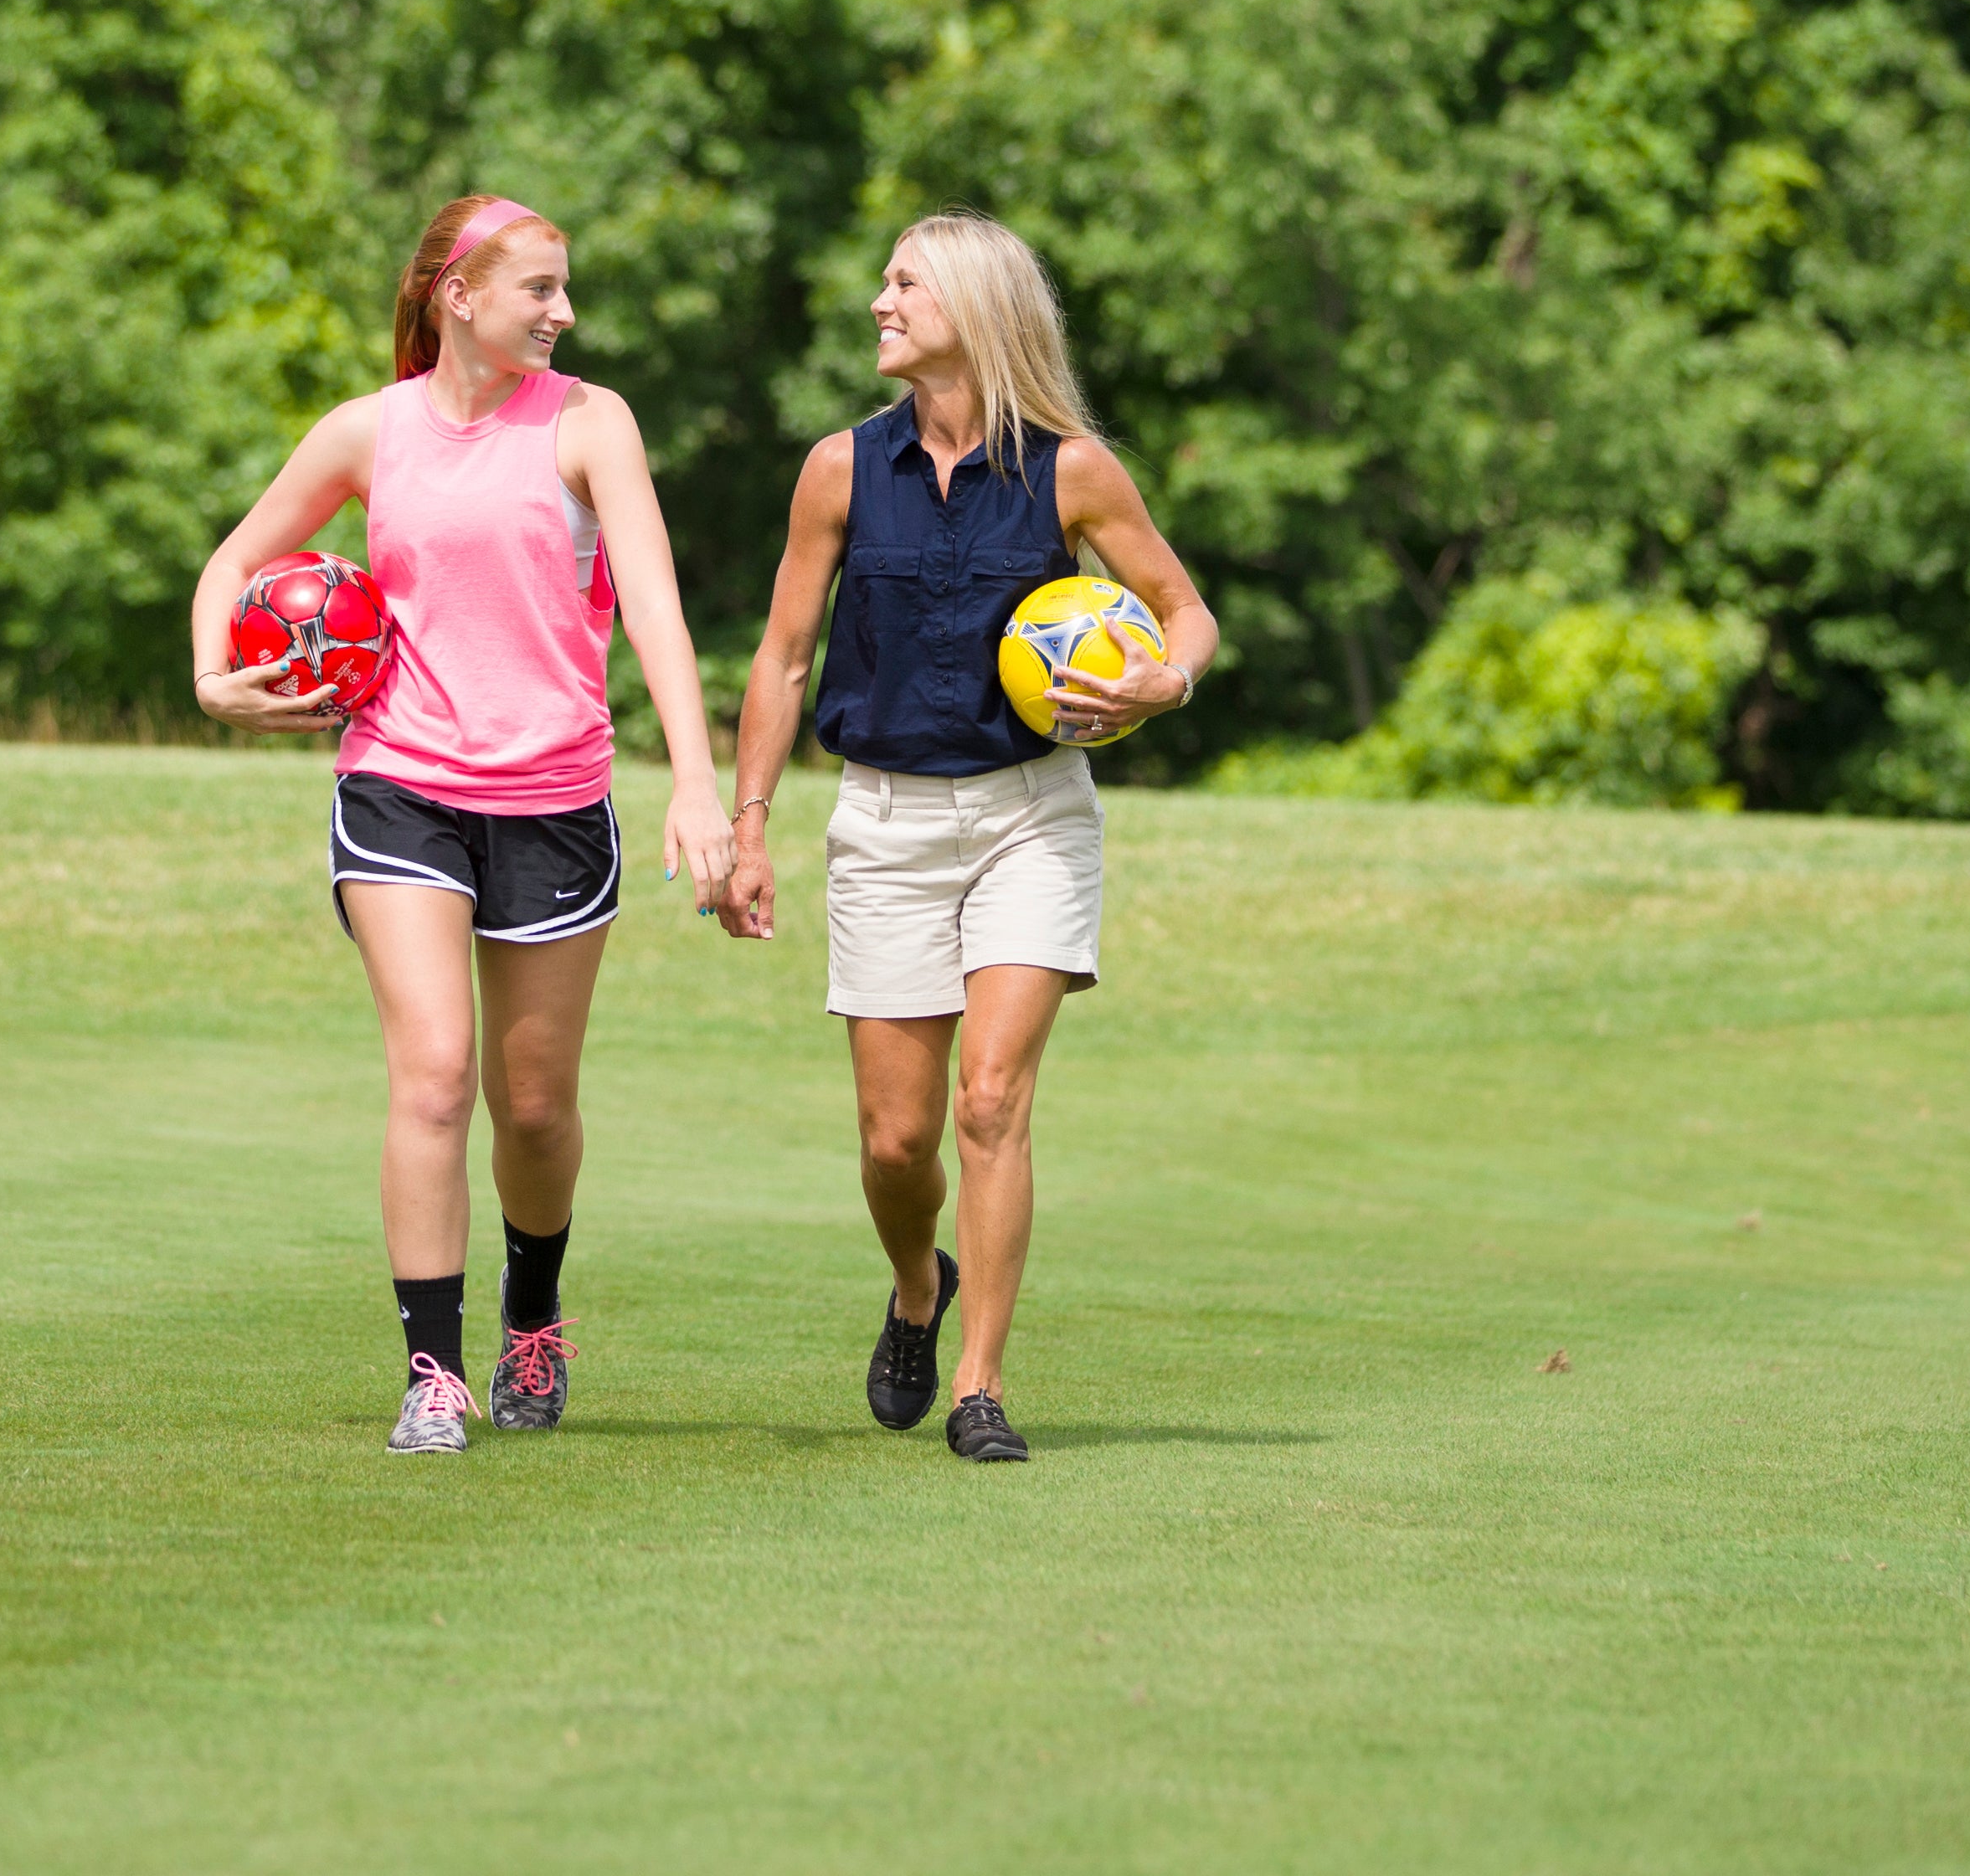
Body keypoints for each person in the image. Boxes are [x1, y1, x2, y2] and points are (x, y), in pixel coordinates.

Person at [193, 195, 731, 1454]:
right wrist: (214, 674)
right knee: (435, 1073)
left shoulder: (593, 424)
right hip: (399, 783)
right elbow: (231, 564)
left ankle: (530, 1315)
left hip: (554, 797)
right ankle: (433, 1372)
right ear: (458, 294)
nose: (564, 311)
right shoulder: (366, 432)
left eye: (564, 289)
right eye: (540, 288)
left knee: (533, 1107)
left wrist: (694, 780)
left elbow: (653, 609)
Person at [716, 213, 1215, 1462]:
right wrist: (748, 826)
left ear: (977, 310)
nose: (879, 300)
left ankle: (981, 1387)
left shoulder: (1074, 470)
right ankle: (916, 1290)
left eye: (904, 283)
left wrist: (1169, 683)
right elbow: (782, 660)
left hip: (1031, 820)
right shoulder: (840, 467)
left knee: (991, 1096)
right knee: (899, 1143)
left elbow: (1182, 611)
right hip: (881, 821)